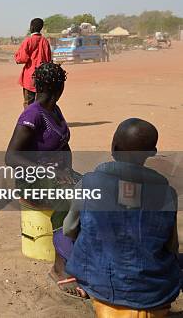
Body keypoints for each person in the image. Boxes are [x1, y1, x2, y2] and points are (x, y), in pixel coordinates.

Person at [63, 119, 180, 317]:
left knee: (62, 236)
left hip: (103, 289)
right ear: (152, 152)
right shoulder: (167, 194)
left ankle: (81, 284)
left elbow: (69, 229)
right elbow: (172, 247)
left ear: (113, 147)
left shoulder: (88, 184)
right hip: (156, 297)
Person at [5, 62, 81, 297]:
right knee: (66, 201)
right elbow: (11, 156)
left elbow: (63, 144)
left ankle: (82, 252)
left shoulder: (55, 110)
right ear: (60, 88)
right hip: (32, 178)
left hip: (57, 174)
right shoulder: (32, 115)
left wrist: (67, 171)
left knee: (94, 187)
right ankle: (59, 268)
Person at [15, 18, 52, 108]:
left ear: (31, 27)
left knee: (28, 103)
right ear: (41, 28)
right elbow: (48, 59)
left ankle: (29, 121)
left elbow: (22, 58)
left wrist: (16, 57)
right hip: (43, 77)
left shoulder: (28, 41)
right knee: (42, 103)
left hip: (30, 77)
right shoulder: (45, 41)